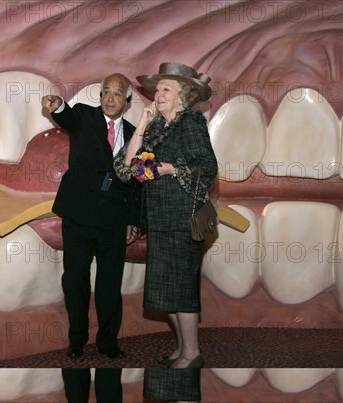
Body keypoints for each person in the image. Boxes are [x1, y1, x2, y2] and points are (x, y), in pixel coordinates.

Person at [115, 62, 217, 368]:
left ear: (182, 96)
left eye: (166, 89)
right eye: (157, 89)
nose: (158, 94)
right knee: (166, 291)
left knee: (181, 290)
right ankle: (184, 348)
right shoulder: (158, 128)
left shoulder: (191, 122)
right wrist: (143, 126)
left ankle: (192, 353)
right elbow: (125, 168)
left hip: (183, 218)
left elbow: (207, 167)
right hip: (159, 220)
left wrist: (171, 168)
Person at [41, 73, 140, 360]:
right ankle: (77, 339)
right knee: (75, 281)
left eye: (117, 94)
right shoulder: (83, 116)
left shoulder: (136, 134)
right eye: (106, 92)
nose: (110, 98)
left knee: (110, 286)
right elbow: (65, 116)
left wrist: (134, 220)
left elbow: (136, 183)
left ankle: (108, 342)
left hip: (114, 221)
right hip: (79, 216)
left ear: (127, 100)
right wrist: (58, 105)